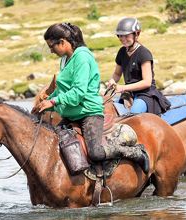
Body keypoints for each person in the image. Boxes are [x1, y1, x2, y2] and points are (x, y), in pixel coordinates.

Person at [37, 22, 149, 174]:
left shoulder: (82, 58)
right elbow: (62, 89)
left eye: (52, 46)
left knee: (95, 152)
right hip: (71, 114)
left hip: (88, 113)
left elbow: (78, 92)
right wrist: (48, 101)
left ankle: (133, 153)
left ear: (63, 42)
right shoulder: (64, 59)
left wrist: (53, 101)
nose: (51, 51)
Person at [108, 17, 171, 115]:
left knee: (134, 113)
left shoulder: (143, 53)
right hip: (130, 93)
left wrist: (123, 88)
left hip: (145, 94)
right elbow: (117, 73)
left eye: (126, 36)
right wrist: (112, 81)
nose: (122, 39)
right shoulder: (121, 52)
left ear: (136, 34)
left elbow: (147, 82)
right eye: (120, 36)